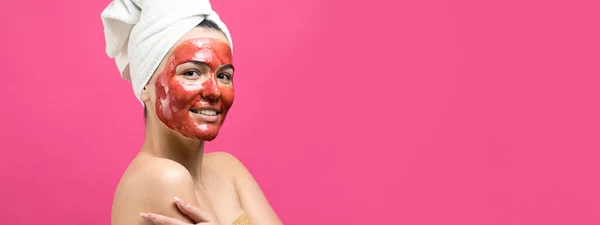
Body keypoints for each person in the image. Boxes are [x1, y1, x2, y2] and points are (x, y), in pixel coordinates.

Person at [101, 1, 282, 224]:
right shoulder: (162, 178)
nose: (214, 90)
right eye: (192, 72)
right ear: (145, 86)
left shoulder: (229, 170)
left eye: (224, 76)